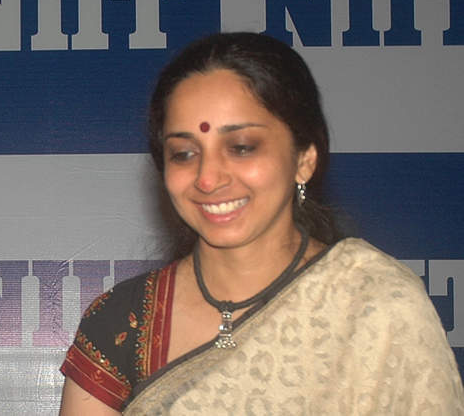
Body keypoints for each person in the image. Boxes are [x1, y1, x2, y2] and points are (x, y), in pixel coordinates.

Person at [58, 32, 463, 414]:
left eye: (241, 147)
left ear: (304, 158)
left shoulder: (376, 305)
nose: (208, 178)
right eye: (183, 153)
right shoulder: (123, 322)